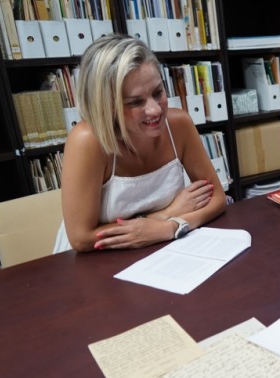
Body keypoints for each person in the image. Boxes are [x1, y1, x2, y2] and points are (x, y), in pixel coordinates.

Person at [54, 33, 226, 253]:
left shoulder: (179, 124)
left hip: (159, 248)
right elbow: (80, 238)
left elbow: (217, 197)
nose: (155, 109)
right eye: (135, 102)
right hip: (92, 260)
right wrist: (165, 215)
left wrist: (168, 227)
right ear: (106, 105)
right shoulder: (87, 140)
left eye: (158, 92)